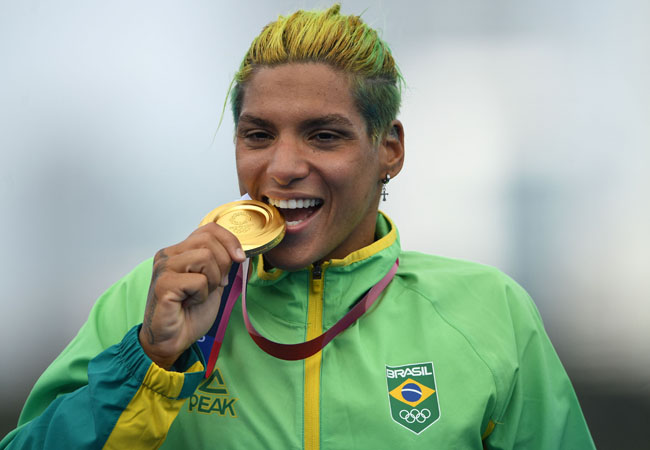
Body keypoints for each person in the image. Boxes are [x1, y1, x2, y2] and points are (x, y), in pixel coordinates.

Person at [1, 4, 595, 449]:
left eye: (324, 135)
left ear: (389, 149)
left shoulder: (488, 312)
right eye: (258, 135)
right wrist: (152, 361)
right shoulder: (150, 302)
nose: (282, 168)